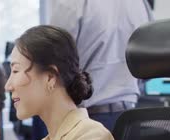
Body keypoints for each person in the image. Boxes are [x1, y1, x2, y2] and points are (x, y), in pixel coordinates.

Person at [50, 0, 154, 131]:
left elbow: (51, 62)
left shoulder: (72, 3)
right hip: (130, 121)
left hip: (87, 120)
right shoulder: (140, 3)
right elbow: (150, 63)